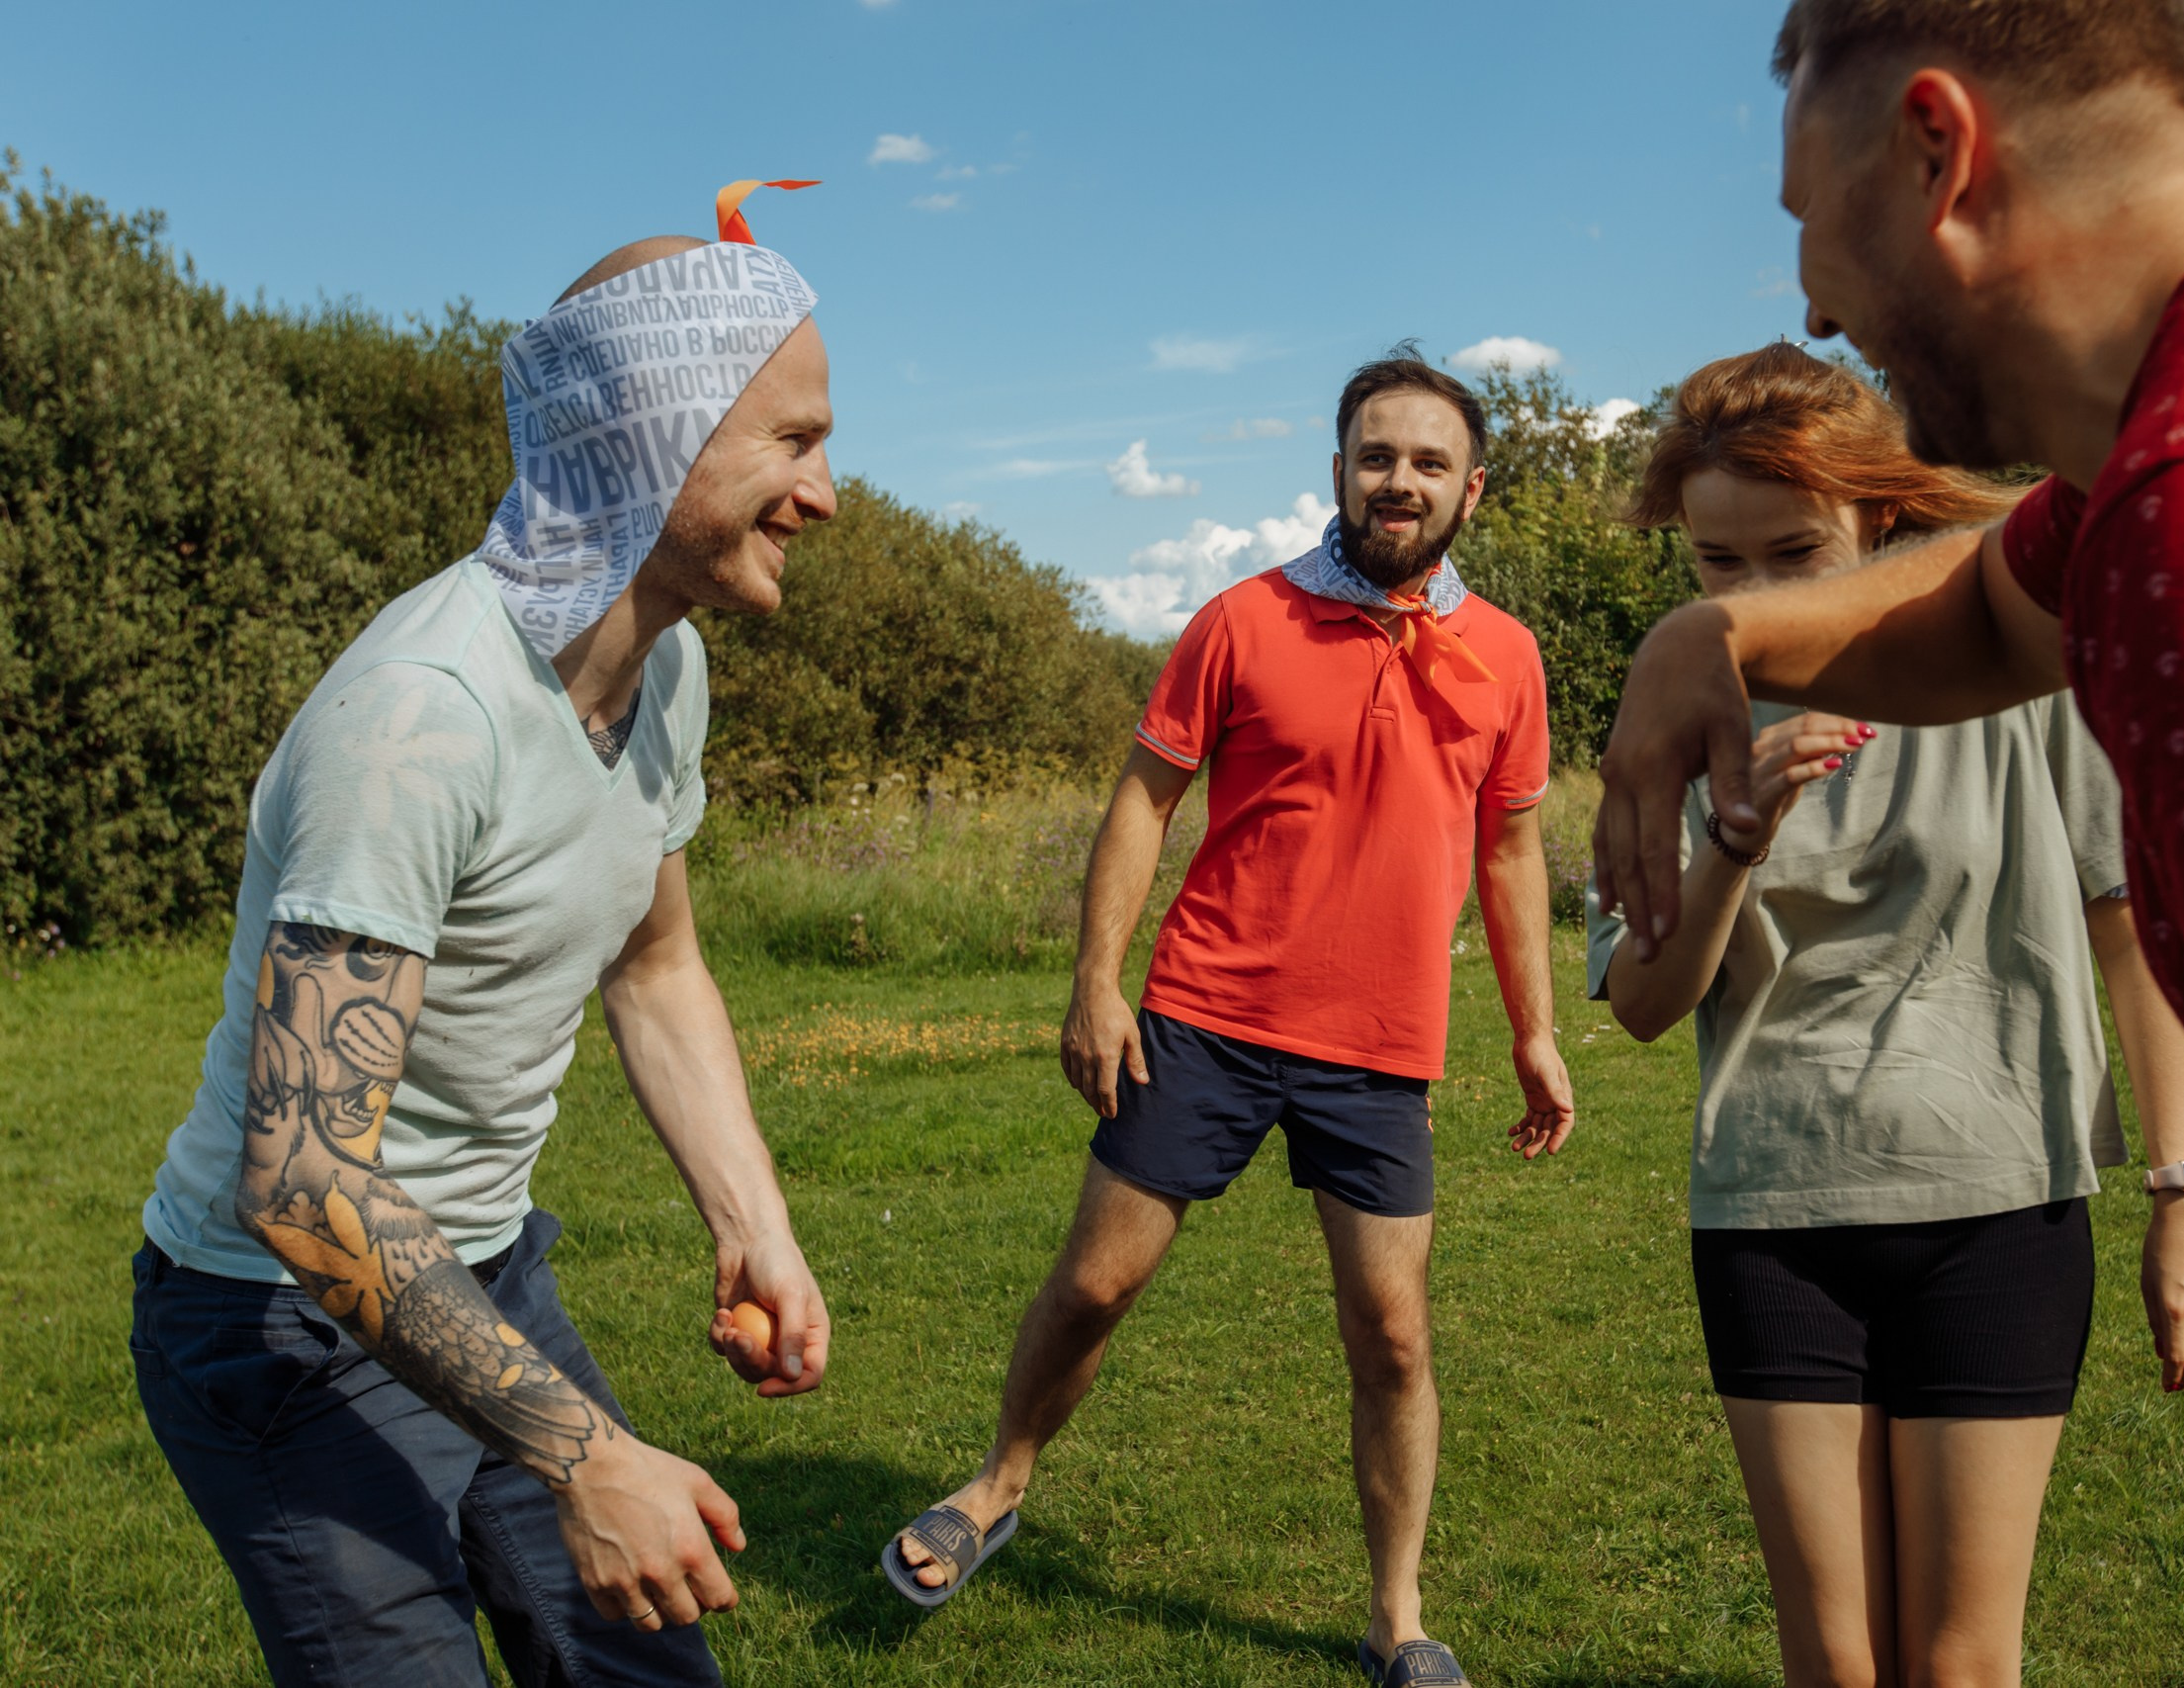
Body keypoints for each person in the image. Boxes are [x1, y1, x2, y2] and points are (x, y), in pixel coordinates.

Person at [1592, 4, 2184, 1680]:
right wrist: (1708, 646)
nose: (1815, 300)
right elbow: (1990, 610)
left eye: (1816, 219)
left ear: (1942, 155)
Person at [131, 190, 835, 1688]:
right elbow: (306, 1182)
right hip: (277, 1329)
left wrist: (753, 1224)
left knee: (647, 1668)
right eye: (792, 439)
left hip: (484, 1273)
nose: (825, 492)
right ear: (655, 433)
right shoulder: (422, 719)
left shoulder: (669, 668)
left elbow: (656, 965)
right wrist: (589, 1458)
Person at [884, 347, 1574, 1688]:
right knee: (1097, 1282)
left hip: (1382, 1046)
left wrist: (1534, 1029)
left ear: (1471, 490)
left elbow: (1513, 852)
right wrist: (1098, 978)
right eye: (1377, 455)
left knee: (1393, 1332)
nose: (1400, 481)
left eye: (1429, 462)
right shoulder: (1242, 621)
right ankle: (995, 1486)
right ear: (1336, 470)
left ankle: (1398, 1617)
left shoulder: (1505, 656)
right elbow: (1145, 799)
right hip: (1206, 1012)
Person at [1587, 344, 2184, 1687]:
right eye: (1720, 565)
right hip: (1775, 1212)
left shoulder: (2011, 669)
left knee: (1962, 1663)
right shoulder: (1675, 716)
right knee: (1835, 1660)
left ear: (1878, 523)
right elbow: (1647, 1004)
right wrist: (1735, 844)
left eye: (1794, 553)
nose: (1755, 597)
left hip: (1998, 1205)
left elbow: (2136, 932)